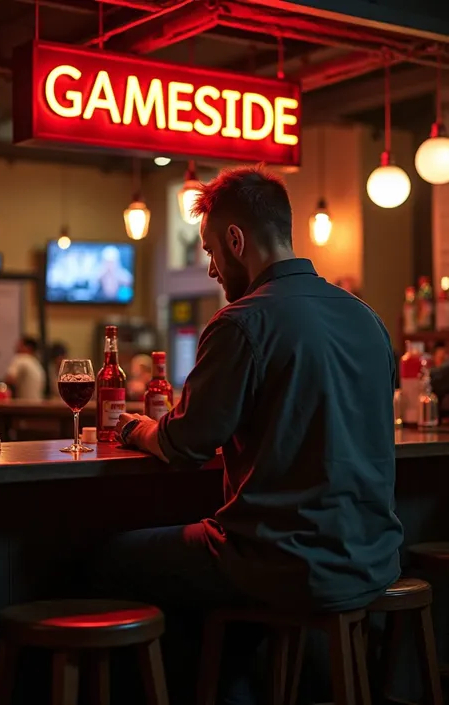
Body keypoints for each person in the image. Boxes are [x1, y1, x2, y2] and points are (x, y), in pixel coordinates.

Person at [108, 165, 402, 705]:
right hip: (373, 556)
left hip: (281, 561)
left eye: (211, 251)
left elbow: (184, 444)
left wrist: (134, 427)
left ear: (237, 240)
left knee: (118, 556)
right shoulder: (367, 319)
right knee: (210, 582)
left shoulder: (242, 322)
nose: (213, 268)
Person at [5, 336, 45, 400]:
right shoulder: (37, 364)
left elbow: (10, 379)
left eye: (19, 345)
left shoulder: (20, 358)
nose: (16, 348)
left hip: (22, 406)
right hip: (37, 405)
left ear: (28, 347)